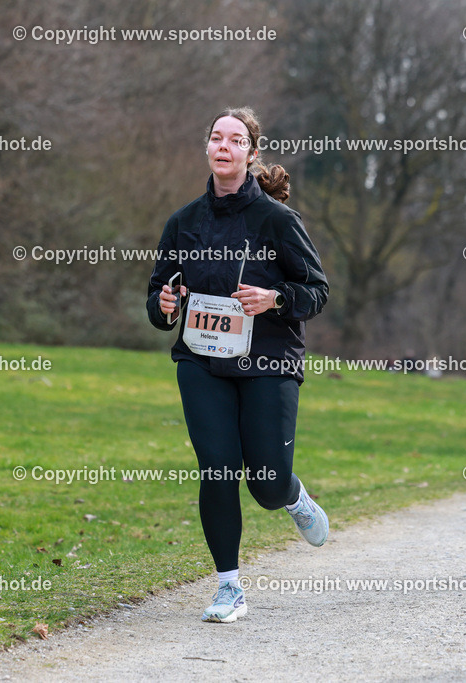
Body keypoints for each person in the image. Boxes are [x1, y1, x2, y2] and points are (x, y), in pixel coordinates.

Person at [146, 107, 329, 623]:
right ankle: (229, 588)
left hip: (268, 361)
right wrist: (164, 308)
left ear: (251, 153)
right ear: (207, 149)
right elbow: (158, 300)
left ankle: (292, 497)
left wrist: (273, 299)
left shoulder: (278, 220)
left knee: (266, 483)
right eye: (215, 138)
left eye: (236, 139)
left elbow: (317, 291)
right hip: (202, 361)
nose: (223, 146)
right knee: (218, 469)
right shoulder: (183, 222)